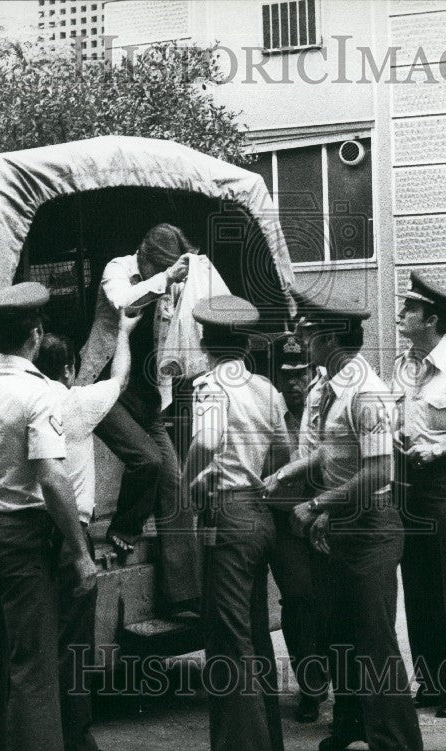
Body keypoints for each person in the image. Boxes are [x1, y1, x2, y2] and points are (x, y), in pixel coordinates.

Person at [0, 282, 97, 751]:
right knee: (33, 667)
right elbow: (51, 478)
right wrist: (80, 553)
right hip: (24, 540)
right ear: (36, 334)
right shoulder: (40, 393)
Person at [263, 293, 423, 751]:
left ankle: (396, 742)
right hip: (340, 525)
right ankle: (351, 726)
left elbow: (379, 471)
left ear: (329, 337)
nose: (302, 340)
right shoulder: (327, 388)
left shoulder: (366, 393)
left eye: (309, 333)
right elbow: (324, 452)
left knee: (374, 642)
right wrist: (285, 474)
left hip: (370, 527)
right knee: (340, 634)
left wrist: (317, 506)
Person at [181, 295, 292, 751]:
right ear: (246, 345)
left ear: (206, 345)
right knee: (254, 633)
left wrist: (186, 484)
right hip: (259, 512)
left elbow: (206, 443)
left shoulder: (210, 387)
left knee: (229, 641)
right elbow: (284, 455)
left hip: (225, 515)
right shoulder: (266, 389)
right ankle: (268, 741)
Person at [77, 223, 200, 608]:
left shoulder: (171, 281)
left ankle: (184, 593)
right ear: (142, 257)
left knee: (174, 485)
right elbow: (126, 304)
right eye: (156, 267)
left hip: (147, 396)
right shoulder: (118, 269)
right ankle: (123, 532)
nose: (160, 274)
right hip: (104, 389)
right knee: (145, 460)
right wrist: (166, 277)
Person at [35, 309, 139, 751]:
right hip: (69, 533)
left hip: (29, 529)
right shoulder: (78, 403)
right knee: (74, 640)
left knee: (37, 636)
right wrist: (126, 333)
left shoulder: (27, 400)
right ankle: (74, 738)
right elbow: (121, 378)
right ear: (70, 369)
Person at [391, 271, 446, 718]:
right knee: (418, 588)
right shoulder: (402, 365)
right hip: (409, 484)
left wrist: (441, 447)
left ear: (431, 318)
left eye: (410, 309)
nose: (403, 314)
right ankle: (429, 681)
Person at [269, 334, 332, 723]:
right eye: (286, 375)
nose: (294, 382)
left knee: (328, 601)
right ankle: (311, 688)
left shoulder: (324, 408)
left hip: (325, 518)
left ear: (312, 372)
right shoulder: (269, 412)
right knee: (297, 601)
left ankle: (334, 680)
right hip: (285, 524)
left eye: (301, 374)